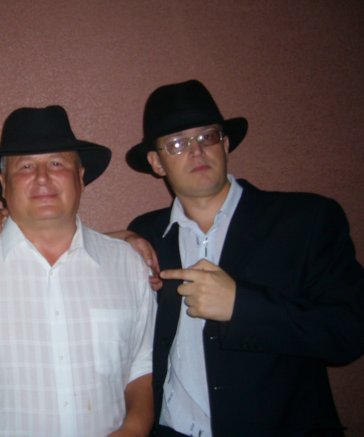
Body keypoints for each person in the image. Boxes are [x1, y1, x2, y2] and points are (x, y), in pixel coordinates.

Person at [125, 79, 364, 436]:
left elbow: (349, 334)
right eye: (177, 144)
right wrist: (117, 238)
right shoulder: (146, 233)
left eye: (207, 137)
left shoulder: (306, 220)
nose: (196, 151)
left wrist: (242, 307)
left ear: (224, 144)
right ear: (157, 162)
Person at [0, 105, 157, 436]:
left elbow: (140, 367)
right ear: (3, 183)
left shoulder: (127, 265)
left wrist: (135, 429)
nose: (42, 178)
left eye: (57, 163)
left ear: (81, 176)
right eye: (25, 166)